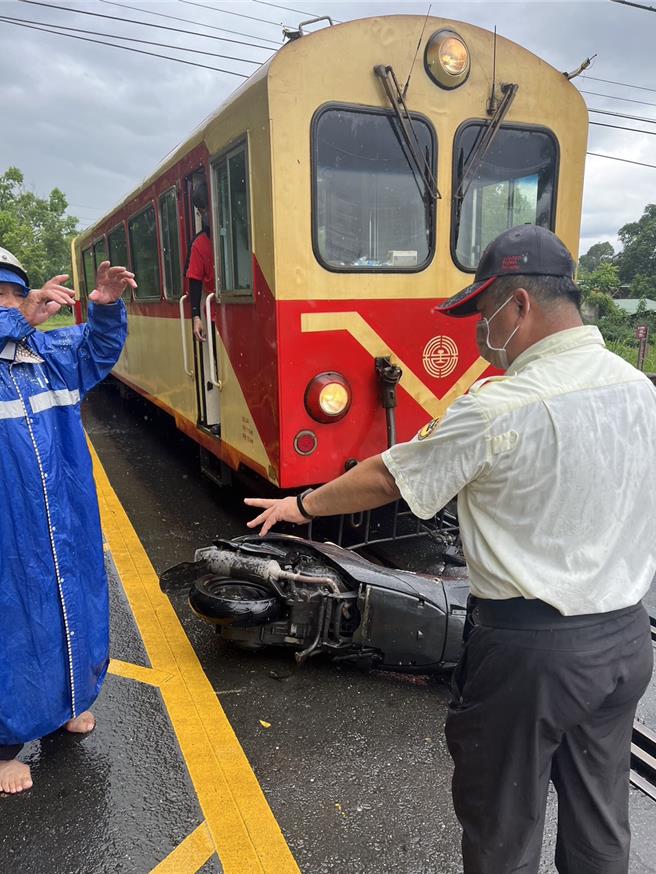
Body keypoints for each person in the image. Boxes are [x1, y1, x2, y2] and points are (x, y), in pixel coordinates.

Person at [244, 225, 656, 874]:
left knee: (502, 831)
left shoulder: (502, 408)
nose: (476, 332)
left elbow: (389, 476)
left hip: (531, 655)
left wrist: (299, 505)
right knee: (600, 824)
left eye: (481, 314)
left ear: (519, 306)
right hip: (625, 643)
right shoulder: (640, 390)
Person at [0, 247, 136, 794]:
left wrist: (103, 307)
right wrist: (16, 319)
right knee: (13, 622)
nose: (11, 303)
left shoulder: (47, 355)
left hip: (65, 518)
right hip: (9, 532)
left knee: (69, 605)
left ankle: (66, 704)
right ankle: (5, 746)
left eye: (14, 291)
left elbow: (98, 349)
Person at [185, 181, 215, 343]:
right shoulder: (199, 243)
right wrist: (196, 316)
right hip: (215, 315)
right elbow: (194, 282)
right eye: (200, 212)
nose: (204, 215)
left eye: (204, 209)